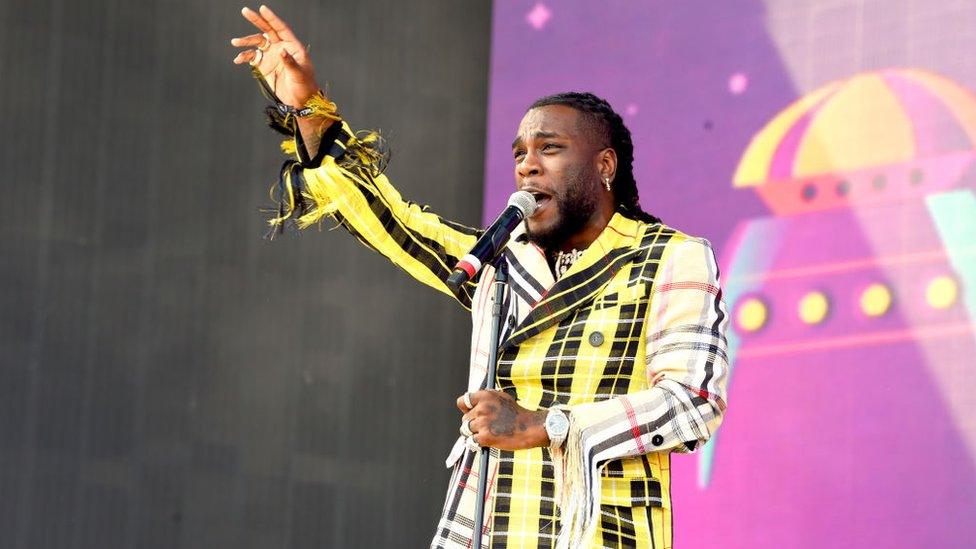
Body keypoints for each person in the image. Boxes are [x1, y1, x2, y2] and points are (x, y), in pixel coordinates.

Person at [232, 6, 729, 549]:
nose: (527, 165)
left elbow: (694, 402)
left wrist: (548, 424)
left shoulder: (672, 258)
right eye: (519, 154)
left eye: (550, 149)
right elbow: (395, 221)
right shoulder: (501, 260)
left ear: (605, 166)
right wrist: (307, 109)